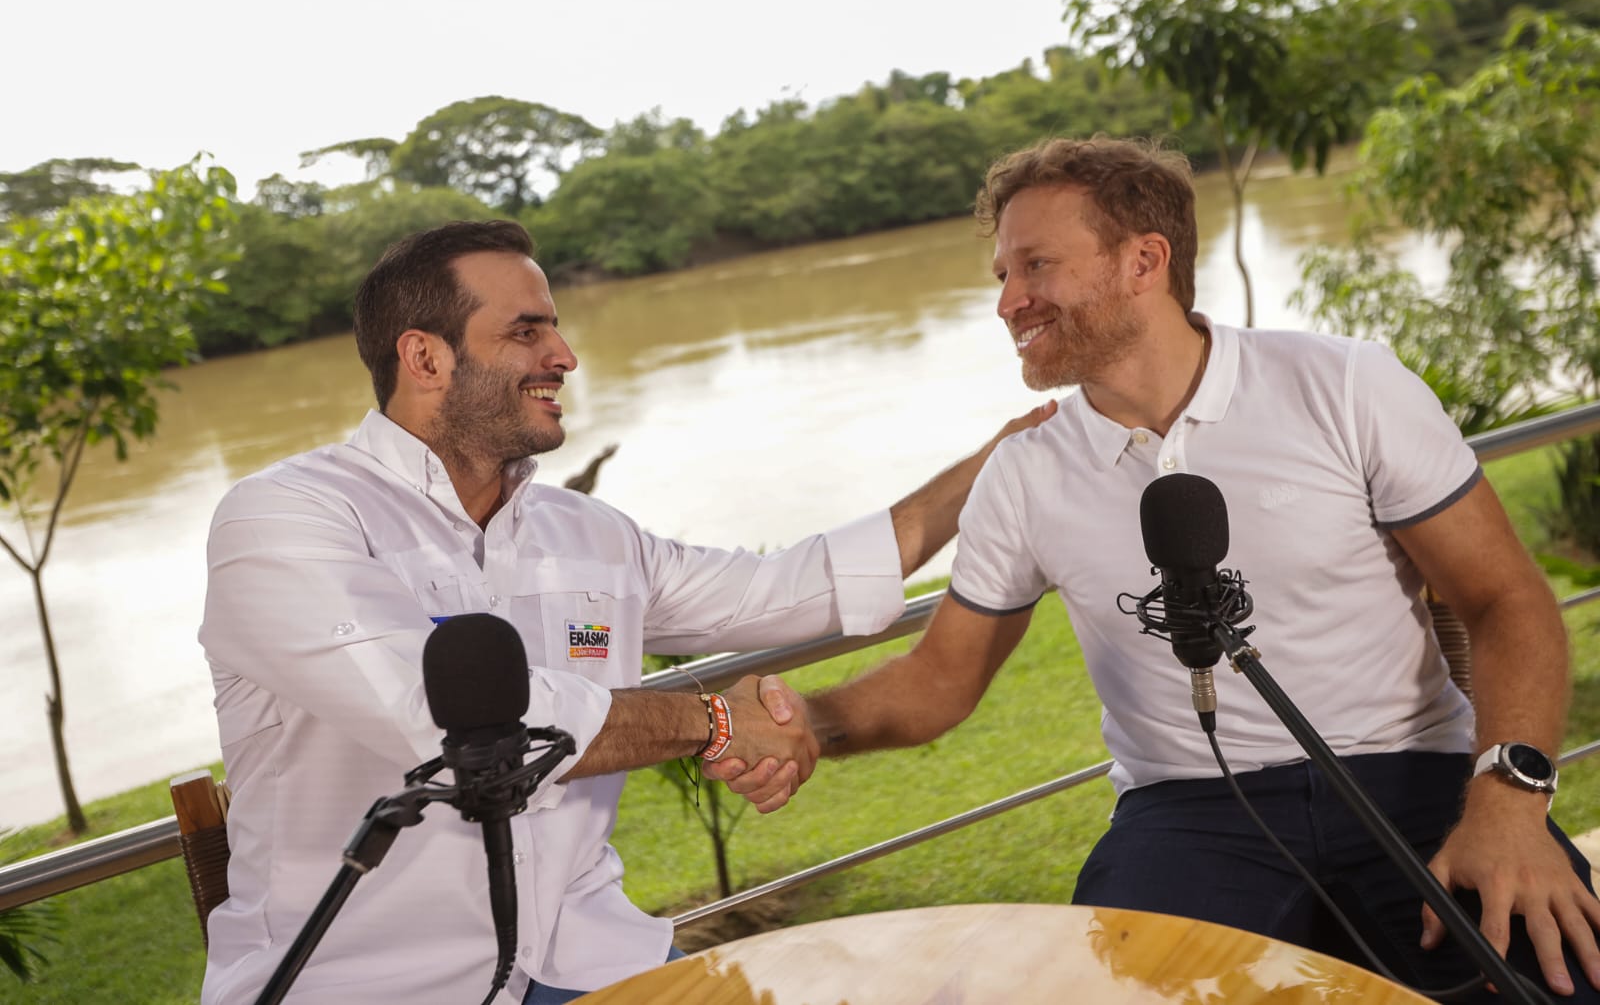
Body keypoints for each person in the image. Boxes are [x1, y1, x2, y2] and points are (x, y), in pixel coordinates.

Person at [716, 137, 1600, 1001]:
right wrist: (812, 722)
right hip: (1186, 813)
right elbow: (938, 680)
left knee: (1558, 976)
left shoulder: (1345, 385)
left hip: (1412, 772)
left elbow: (1504, 599)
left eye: (1035, 267)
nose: (1008, 302)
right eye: (1002, 275)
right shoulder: (1025, 473)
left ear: (1144, 260)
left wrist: (1510, 802)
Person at [197, 219, 1051, 1004]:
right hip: (367, 984)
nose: (564, 354)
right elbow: (453, 724)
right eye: (526, 330)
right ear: (424, 358)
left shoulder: (587, 532)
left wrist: (992, 465)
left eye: (555, 326)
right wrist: (715, 722)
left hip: (588, 963)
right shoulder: (285, 519)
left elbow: (789, 589)